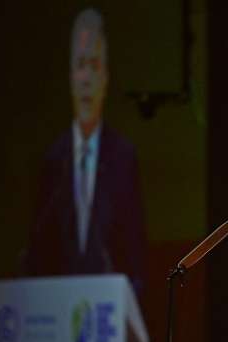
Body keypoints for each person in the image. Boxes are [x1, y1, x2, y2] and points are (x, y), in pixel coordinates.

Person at [24, 8, 146, 293]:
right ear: (70, 77)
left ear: (106, 78)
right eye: (80, 65)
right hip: (58, 314)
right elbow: (39, 255)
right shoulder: (54, 160)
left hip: (108, 316)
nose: (87, 78)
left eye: (94, 65)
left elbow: (136, 257)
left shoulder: (123, 158)